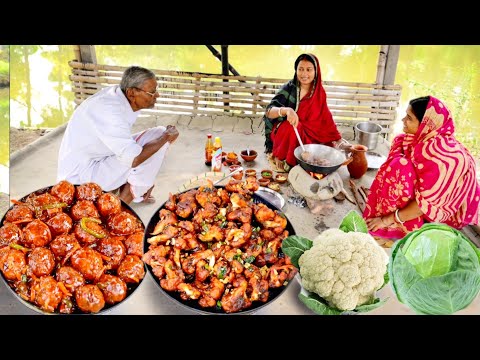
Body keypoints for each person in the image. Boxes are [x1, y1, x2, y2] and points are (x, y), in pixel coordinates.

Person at [57, 65, 179, 205]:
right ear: (132, 93)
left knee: (158, 135)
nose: (157, 95)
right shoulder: (110, 112)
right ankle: (121, 206)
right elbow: (134, 159)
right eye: (152, 92)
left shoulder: (120, 95)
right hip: (80, 179)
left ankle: (135, 190)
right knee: (159, 142)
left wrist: (147, 174)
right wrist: (166, 138)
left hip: (99, 159)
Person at [364, 95, 480, 239]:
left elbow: (422, 207)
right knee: (400, 144)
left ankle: (403, 223)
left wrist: (385, 220)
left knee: (400, 166)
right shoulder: (428, 137)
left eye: (409, 118)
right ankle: (394, 206)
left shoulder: (440, 157)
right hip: (426, 200)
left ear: (426, 124)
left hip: (444, 214)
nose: (403, 120)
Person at [263, 53, 350, 172]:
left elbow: (326, 118)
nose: (304, 74)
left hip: (308, 136)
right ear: (296, 70)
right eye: (301, 69)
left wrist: (339, 141)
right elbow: (269, 111)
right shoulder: (289, 88)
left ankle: (305, 158)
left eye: (309, 70)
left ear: (316, 71)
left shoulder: (319, 92)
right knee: (293, 126)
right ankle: (281, 156)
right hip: (285, 134)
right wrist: (286, 110)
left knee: (320, 154)